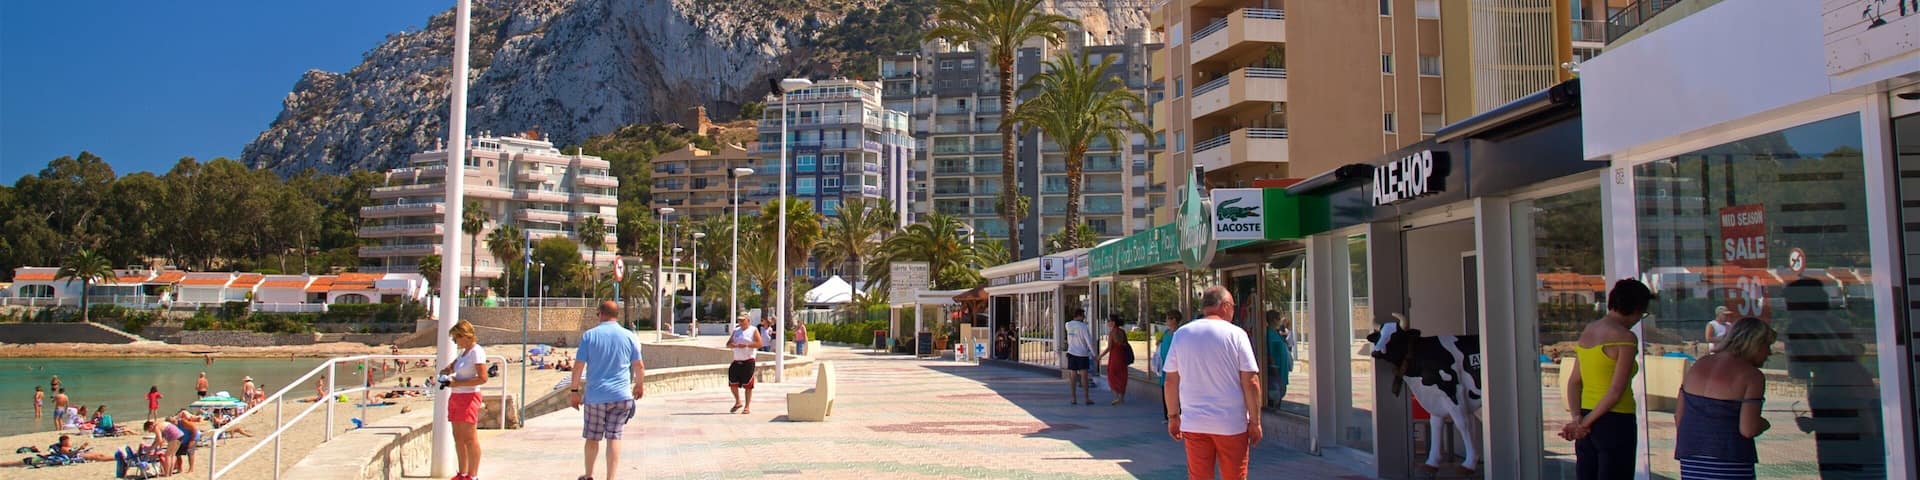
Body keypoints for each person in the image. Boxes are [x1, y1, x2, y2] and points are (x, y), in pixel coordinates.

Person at [1782, 277, 1885, 478]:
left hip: (1856, 463)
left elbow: (1866, 425)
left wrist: (1815, 425)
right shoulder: (1829, 373)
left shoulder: (1843, 374)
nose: (1792, 350)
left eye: (1796, 344)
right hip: (1838, 459)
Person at [1163, 286, 1262, 480]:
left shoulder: (1181, 334)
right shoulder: (1236, 334)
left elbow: (1170, 381)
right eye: (1233, 306)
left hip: (1194, 423)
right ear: (1224, 306)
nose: (1233, 310)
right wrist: (1255, 422)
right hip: (1231, 424)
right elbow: (1251, 381)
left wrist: (1173, 416)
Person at [1561, 278, 1653, 480]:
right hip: (1615, 420)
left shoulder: (1589, 330)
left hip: (1586, 416)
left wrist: (1578, 418)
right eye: (1642, 313)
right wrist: (1586, 423)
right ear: (1636, 308)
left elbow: (1574, 382)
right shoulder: (1625, 337)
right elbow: (1615, 391)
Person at [1674, 317, 1774, 479]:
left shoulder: (1699, 364)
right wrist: (1764, 424)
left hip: (1690, 453)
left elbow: (1679, 416)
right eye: (1767, 346)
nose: (1769, 353)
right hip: (1729, 456)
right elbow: (1748, 429)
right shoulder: (1751, 375)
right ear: (1755, 343)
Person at [569, 300, 646, 480]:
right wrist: (639, 384)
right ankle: (610, 478)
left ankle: (589, 475)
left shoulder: (590, 336)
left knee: (593, 437)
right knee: (614, 437)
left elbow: (578, 366)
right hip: (621, 396)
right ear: (616, 315)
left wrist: (574, 391)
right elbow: (639, 365)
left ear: (601, 314)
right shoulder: (629, 336)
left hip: (596, 397)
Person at [439, 319, 490, 480]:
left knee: (469, 437)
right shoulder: (464, 353)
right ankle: (462, 473)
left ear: (465, 336)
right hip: (457, 396)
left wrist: (457, 383)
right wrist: (446, 371)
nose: (455, 342)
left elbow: (483, 378)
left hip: (469, 396)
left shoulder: (476, 351)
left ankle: (472, 475)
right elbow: (452, 367)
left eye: (456, 338)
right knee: (458, 437)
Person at [726, 314, 764, 414]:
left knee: (748, 384)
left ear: (748, 320)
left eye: (743, 320)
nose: (741, 322)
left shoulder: (753, 330)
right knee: (732, 382)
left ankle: (747, 406)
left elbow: (759, 344)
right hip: (737, 359)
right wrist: (732, 345)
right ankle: (738, 401)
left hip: (748, 360)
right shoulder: (736, 331)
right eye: (739, 320)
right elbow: (728, 344)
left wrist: (747, 345)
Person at [1096, 315, 1134, 405]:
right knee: (1122, 375)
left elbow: (1109, 347)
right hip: (1122, 355)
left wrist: (1100, 356)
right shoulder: (1122, 332)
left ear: (1113, 322)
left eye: (1109, 321)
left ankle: (1117, 396)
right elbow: (1125, 343)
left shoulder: (1112, 333)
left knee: (1112, 375)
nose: (1108, 323)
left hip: (1115, 356)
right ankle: (1121, 397)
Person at [1155, 310, 1183, 422]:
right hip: (1164, 366)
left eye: (1168, 319)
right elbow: (1161, 341)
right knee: (1165, 390)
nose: (1166, 321)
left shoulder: (1180, 333)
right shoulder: (1167, 332)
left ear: (1174, 320)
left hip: (1176, 368)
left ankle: (1179, 414)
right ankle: (1167, 415)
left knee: (1177, 391)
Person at [1063, 309, 1095, 405]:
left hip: (1071, 353)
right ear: (1080, 316)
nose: (1084, 317)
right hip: (1082, 354)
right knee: (1084, 376)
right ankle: (1086, 398)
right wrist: (1095, 355)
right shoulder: (1084, 327)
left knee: (1073, 376)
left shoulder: (1068, 325)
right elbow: (1089, 342)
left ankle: (1073, 398)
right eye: (1083, 315)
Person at [1265, 312, 1294, 407]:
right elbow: (1269, 353)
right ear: (1274, 320)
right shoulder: (1269, 334)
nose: (1280, 321)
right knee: (1275, 398)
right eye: (1278, 319)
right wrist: (1274, 369)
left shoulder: (1276, 333)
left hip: (1282, 371)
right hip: (1277, 372)